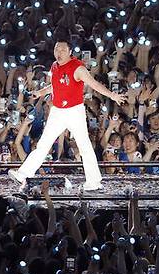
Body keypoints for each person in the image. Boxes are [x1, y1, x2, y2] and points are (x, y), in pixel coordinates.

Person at [8, 41, 126, 190]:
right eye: (57, 49)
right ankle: (23, 173)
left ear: (70, 52)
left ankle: (94, 181)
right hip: (57, 111)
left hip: (74, 111)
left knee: (84, 145)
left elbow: (94, 84)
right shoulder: (54, 66)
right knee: (43, 144)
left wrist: (112, 95)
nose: (59, 52)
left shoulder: (78, 68)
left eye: (63, 50)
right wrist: (40, 92)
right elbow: (55, 86)